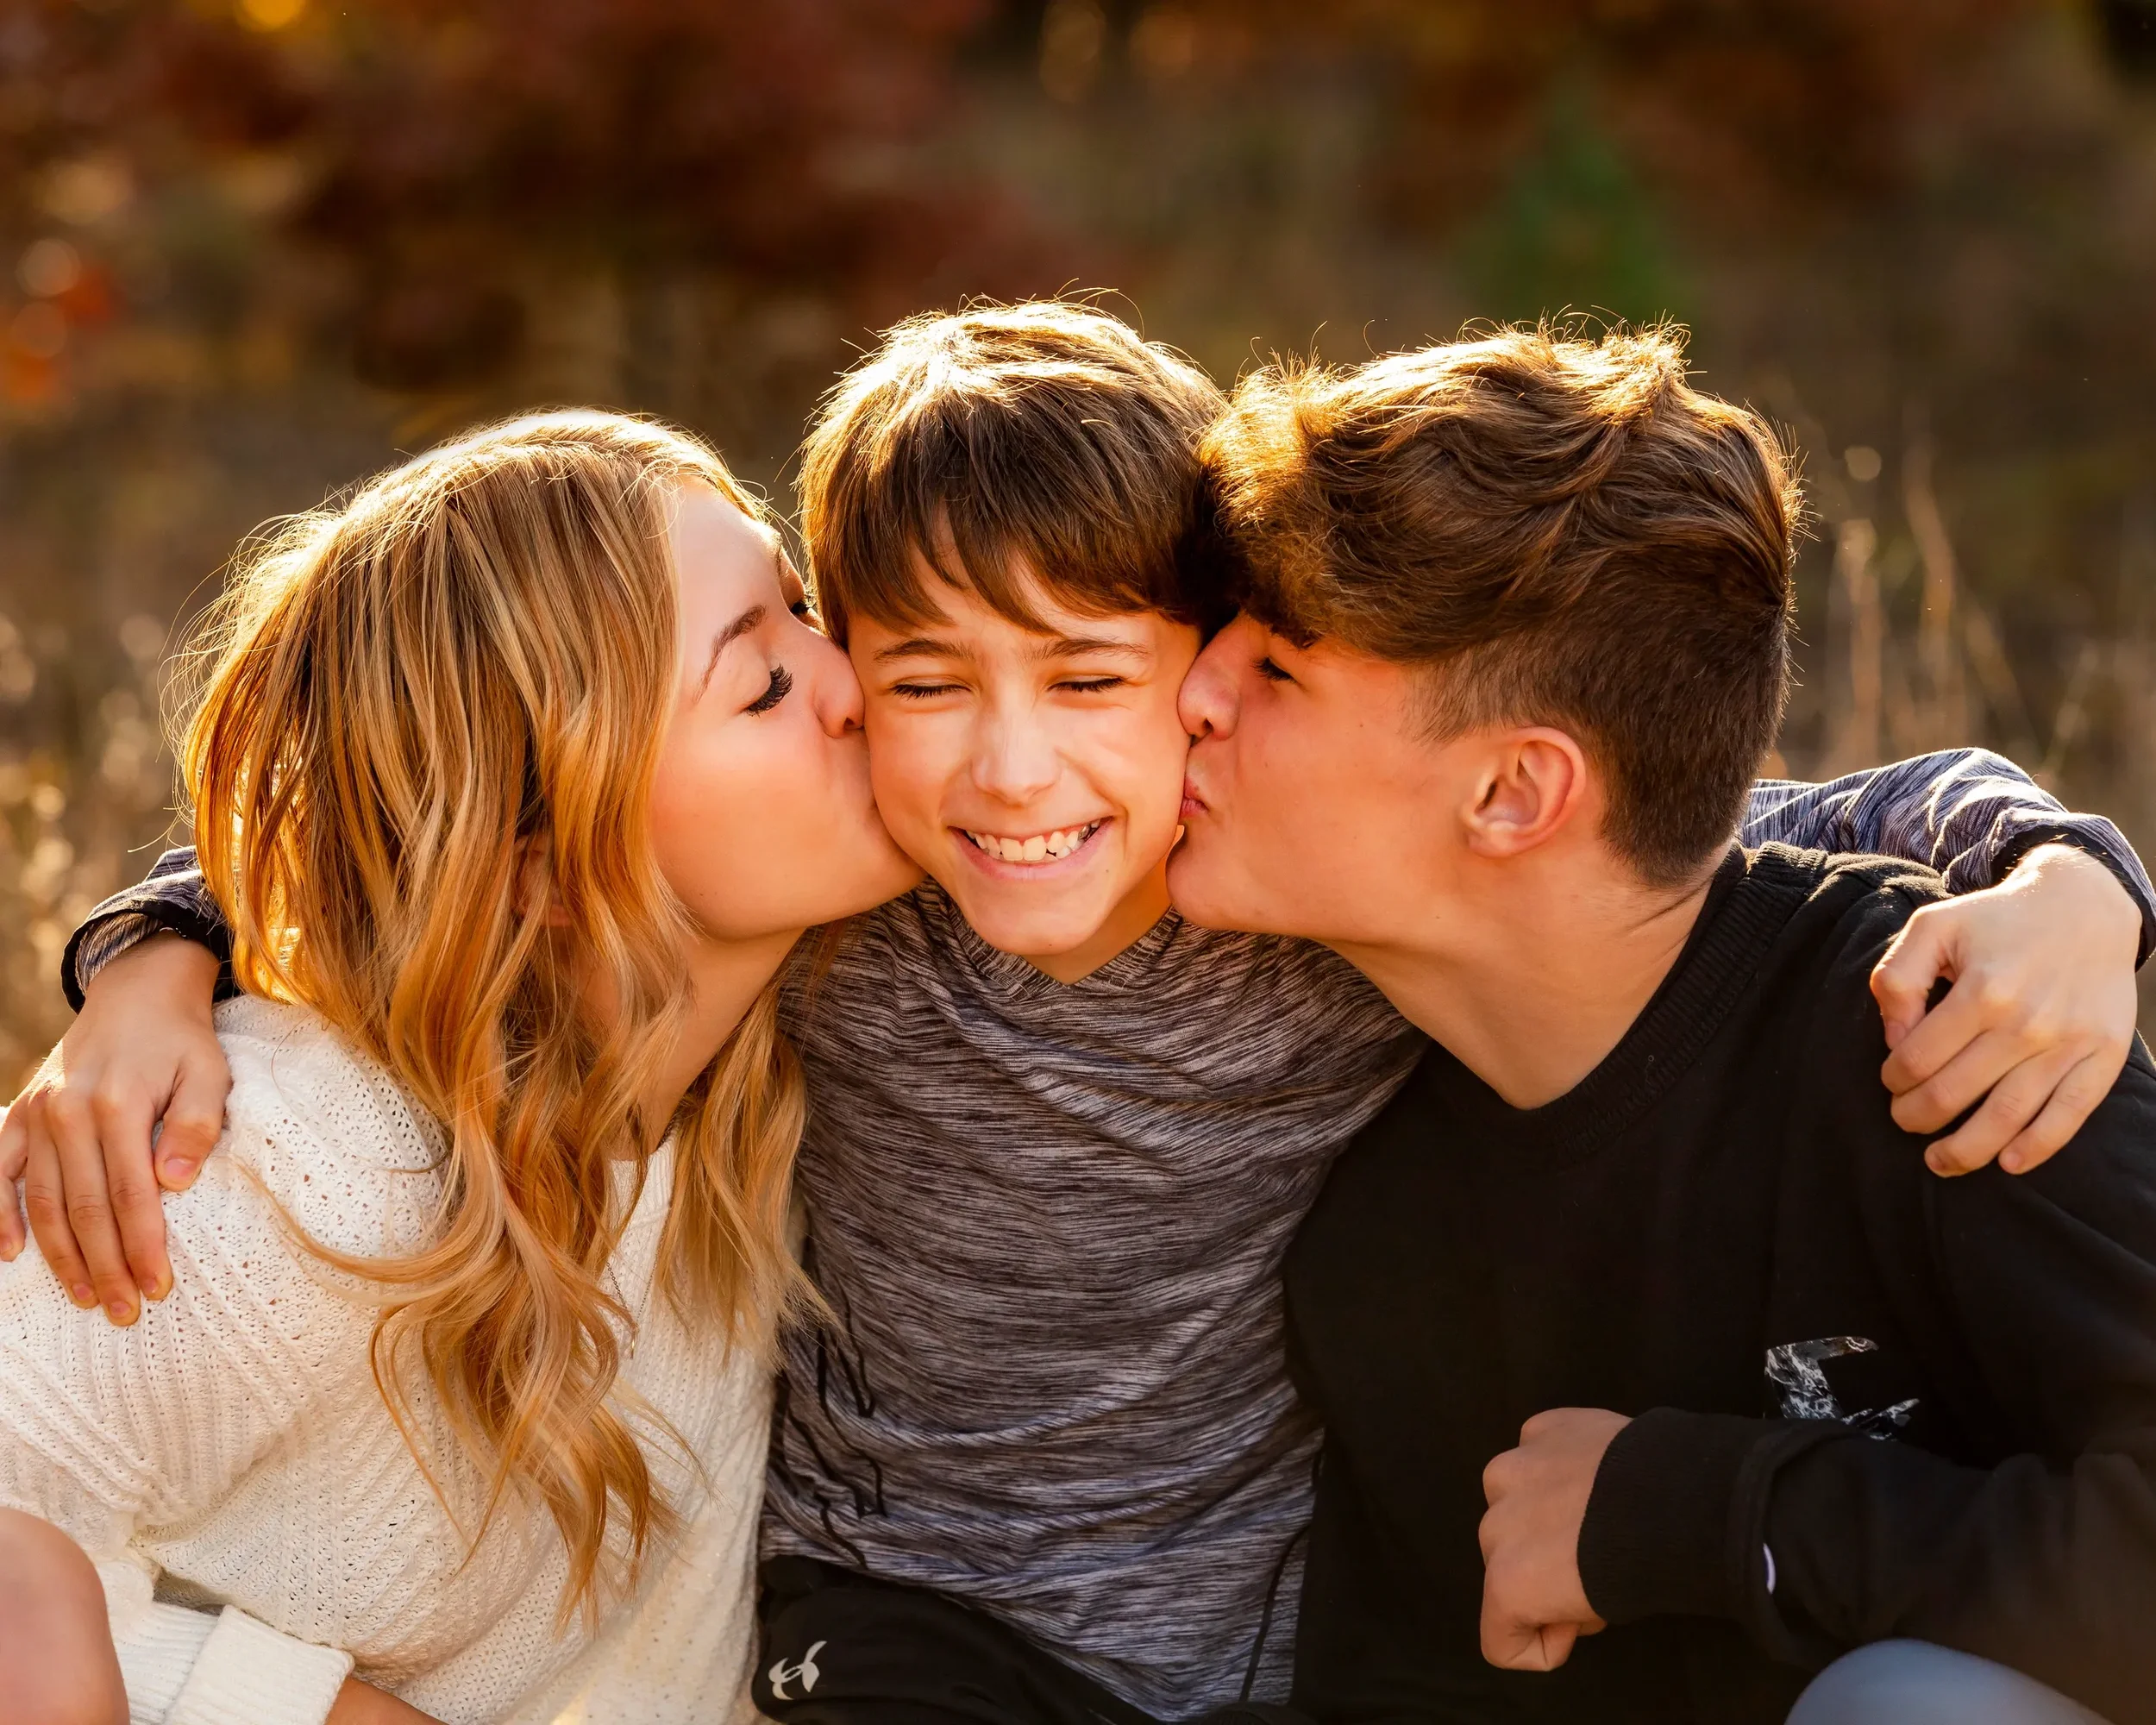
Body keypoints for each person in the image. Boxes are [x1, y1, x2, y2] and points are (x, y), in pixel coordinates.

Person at [8, 304, 2153, 1725]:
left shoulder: (1322, 900)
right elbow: (488, 824)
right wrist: (152, 950)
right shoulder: (860, 901)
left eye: (1168, 678)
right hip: (903, 1632)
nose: (992, 760)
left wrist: (2074, 880)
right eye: (893, 673)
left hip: (1250, 1644)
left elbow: (1714, 817)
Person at [1169, 324, 2156, 1722]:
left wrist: (1701, 1515)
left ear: (1515, 796)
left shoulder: (1948, 1037)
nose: (1193, 693)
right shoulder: (1375, 1232)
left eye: (1278, 671)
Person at [0, 411, 918, 1725]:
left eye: (802, 611)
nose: (853, 684)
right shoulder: (298, 1167)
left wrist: (163, 938)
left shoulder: (780, 1073)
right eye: (763, 684)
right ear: (534, 861)